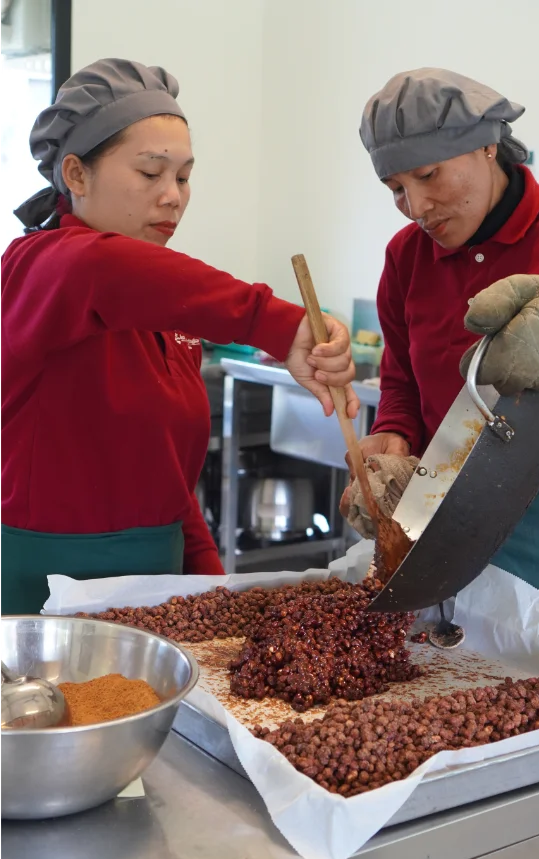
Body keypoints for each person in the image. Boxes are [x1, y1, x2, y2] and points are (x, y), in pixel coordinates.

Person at [0, 58, 357, 615]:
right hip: (41, 589)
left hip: (154, 579)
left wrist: (211, 588)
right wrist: (280, 325)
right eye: (151, 173)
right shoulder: (38, 265)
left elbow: (172, 483)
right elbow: (102, 269)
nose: (173, 196)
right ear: (76, 175)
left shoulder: (168, 311)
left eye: (184, 177)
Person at [342, 67, 539, 623]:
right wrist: (393, 433)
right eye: (396, 189)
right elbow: (401, 380)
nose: (416, 207)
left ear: (487, 146)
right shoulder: (406, 257)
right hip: (438, 507)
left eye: (428, 175)